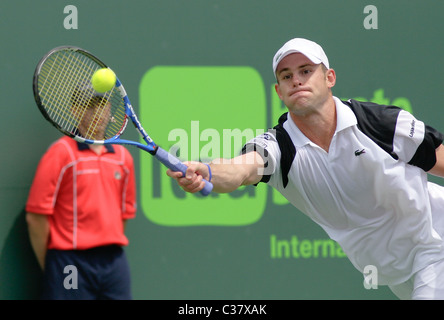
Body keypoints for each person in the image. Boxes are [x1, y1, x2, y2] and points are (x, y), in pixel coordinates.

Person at [166, 38, 444, 300]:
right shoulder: (279, 147)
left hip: (435, 245)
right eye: (286, 76)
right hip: (397, 272)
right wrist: (209, 172)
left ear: (329, 78)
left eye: (306, 70)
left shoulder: (381, 124)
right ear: (279, 91)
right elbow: (241, 169)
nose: (296, 80)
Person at [26, 87, 137, 300]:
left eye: (102, 104)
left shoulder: (123, 158)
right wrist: (53, 267)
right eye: (89, 106)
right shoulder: (61, 153)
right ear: (75, 111)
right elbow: (36, 218)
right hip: (71, 264)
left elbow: (124, 215)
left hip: (113, 263)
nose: (97, 112)